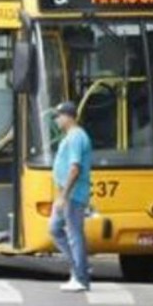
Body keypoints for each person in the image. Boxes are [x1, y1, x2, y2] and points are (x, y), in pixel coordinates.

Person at [49, 101, 92, 293]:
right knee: (55, 228)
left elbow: (75, 168)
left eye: (58, 116)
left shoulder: (76, 137)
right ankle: (79, 267)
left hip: (73, 195)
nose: (56, 120)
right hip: (67, 195)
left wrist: (64, 195)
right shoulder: (71, 136)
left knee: (74, 235)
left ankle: (81, 277)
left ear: (68, 116)